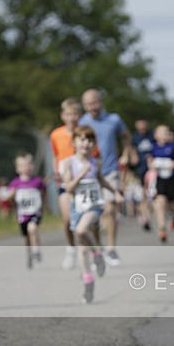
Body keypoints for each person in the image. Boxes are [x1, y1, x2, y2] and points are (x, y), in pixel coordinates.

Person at [63, 126, 124, 304]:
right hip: (77, 207)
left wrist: (116, 192)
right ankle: (88, 282)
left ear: (94, 144)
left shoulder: (95, 162)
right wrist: (80, 175)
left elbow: (101, 180)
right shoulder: (69, 163)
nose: (86, 143)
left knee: (81, 231)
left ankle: (97, 253)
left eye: (89, 140)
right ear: (74, 142)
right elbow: (68, 188)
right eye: (82, 139)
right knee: (82, 250)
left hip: (94, 205)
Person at [79, 89, 132, 265]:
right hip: (90, 173)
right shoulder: (82, 123)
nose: (91, 107)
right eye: (87, 104)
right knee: (93, 215)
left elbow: (126, 137)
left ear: (100, 102)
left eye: (94, 103)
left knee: (109, 209)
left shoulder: (113, 120)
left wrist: (126, 153)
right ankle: (98, 249)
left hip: (110, 170)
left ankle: (111, 249)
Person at [49, 97, 82, 269]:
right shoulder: (56, 134)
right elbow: (56, 155)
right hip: (64, 181)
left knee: (86, 220)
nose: (72, 118)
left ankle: (93, 249)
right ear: (63, 116)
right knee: (68, 218)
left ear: (80, 115)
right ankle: (71, 249)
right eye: (68, 114)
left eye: (75, 114)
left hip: (83, 181)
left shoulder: (85, 133)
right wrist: (56, 171)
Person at [7, 153, 46, 269]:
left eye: (28, 164)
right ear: (17, 168)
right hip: (22, 214)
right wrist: (11, 195)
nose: (25, 168)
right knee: (26, 236)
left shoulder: (38, 181)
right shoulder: (15, 183)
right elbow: (9, 198)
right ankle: (28, 252)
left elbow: (44, 194)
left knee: (32, 228)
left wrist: (43, 205)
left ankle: (36, 250)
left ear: (32, 166)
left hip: (35, 211)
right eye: (22, 165)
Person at [148, 124, 174, 243]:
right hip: (159, 179)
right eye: (161, 132)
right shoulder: (153, 147)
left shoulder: (173, 147)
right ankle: (162, 229)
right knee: (160, 202)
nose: (164, 135)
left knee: (169, 204)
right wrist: (152, 165)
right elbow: (149, 159)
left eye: (166, 132)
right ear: (156, 135)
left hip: (172, 179)